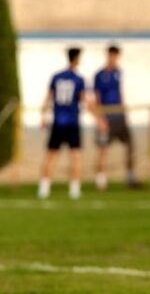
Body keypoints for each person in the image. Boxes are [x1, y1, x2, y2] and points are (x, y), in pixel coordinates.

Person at [37, 47, 105, 200]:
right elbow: (85, 101)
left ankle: (44, 188)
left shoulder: (56, 76)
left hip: (57, 122)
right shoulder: (78, 79)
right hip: (72, 123)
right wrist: (98, 119)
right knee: (75, 156)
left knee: (51, 156)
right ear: (77, 59)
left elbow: (47, 98)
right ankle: (74, 190)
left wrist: (43, 117)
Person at [93, 44, 140, 190]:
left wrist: (124, 112)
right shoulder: (100, 75)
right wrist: (99, 118)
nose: (114, 59)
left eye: (116, 56)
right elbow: (96, 97)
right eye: (112, 55)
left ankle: (130, 176)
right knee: (103, 149)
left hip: (119, 115)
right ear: (108, 55)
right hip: (106, 116)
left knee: (130, 145)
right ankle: (101, 180)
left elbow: (120, 92)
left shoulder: (118, 72)